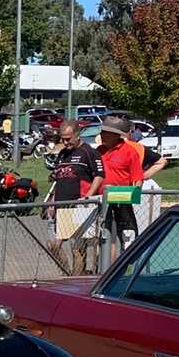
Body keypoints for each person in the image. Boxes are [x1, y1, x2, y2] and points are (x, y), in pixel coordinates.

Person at [49, 123, 105, 272]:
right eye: (63, 139)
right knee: (53, 245)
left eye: (68, 139)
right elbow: (59, 179)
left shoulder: (89, 152)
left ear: (77, 135)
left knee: (77, 250)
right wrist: (52, 202)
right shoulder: (62, 154)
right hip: (62, 207)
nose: (65, 142)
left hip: (79, 207)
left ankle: (76, 278)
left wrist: (88, 196)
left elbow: (99, 176)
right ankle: (67, 274)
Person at [95, 116, 143, 259]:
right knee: (103, 234)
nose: (102, 135)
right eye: (102, 132)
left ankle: (128, 263)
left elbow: (137, 178)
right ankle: (105, 268)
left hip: (122, 199)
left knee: (128, 234)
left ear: (116, 135)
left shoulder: (129, 151)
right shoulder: (99, 151)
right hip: (101, 200)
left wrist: (134, 194)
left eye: (106, 132)